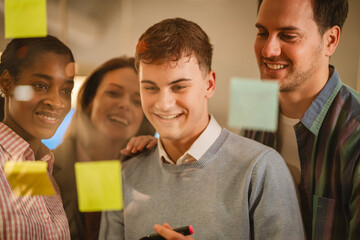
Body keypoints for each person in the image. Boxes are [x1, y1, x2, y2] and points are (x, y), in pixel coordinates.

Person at [99, 17, 304, 240]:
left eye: (179, 87)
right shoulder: (125, 175)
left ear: (209, 84)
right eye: (150, 88)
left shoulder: (261, 168)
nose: (163, 103)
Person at [244, 0, 360, 239]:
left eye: (288, 35)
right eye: (262, 33)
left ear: (330, 40)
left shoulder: (355, 134)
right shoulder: (254, 108)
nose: (268, 50)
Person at [53, 57, 156, 240]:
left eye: (137, 101)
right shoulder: (45, 166)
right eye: (113, 93)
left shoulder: (148, 169)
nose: (124, 105)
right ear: (90, 99)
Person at [0, 35, 75, 239]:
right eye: (41, 85)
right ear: (7, 84)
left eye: (66, 90)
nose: (57, 102)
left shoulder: (38, 164)